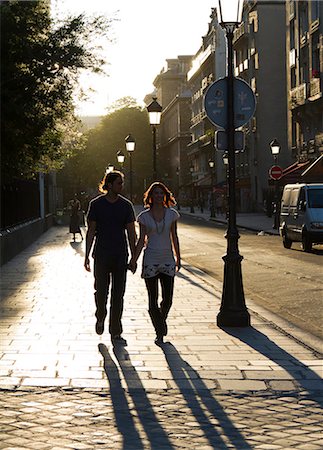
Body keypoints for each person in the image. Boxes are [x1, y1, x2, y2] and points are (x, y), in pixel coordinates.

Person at [84, 170, 136, 343]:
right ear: (109, 185)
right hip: (102, 254)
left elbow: (131, 232)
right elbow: (91, 231)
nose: (122, 186)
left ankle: (115, 329)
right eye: (119, 183)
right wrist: (86, 255)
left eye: (122, 183)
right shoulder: (96, 204)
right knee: (101, 290)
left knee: (118, 293)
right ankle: (100, 316)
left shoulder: (126, 205)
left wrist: (134, 257)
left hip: (120, 254)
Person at [130, 182, 181, 345]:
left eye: (161, 193)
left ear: (165, 195)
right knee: (153, 299)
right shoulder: (144, 217)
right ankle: (159, 330)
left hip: (167, 259)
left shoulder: (172, 214)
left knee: (168, 299)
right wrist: (134, 260)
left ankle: (161, 320)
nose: (159, 196)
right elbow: (141, 240)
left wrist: (178, 257)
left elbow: (174, 236)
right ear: (151, 197)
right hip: (151, 259)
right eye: (156, 193)